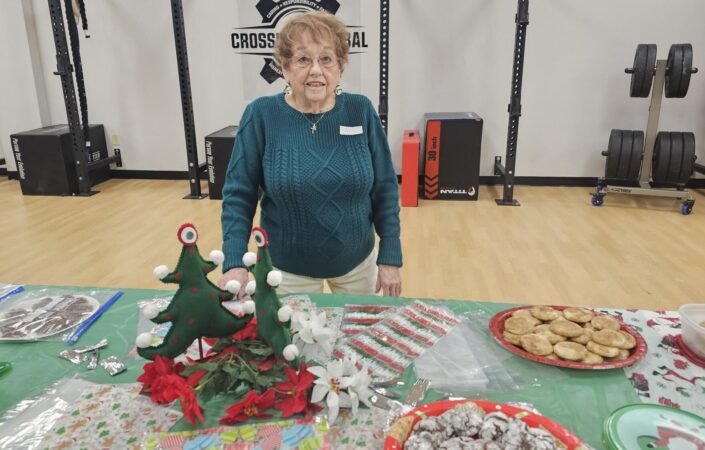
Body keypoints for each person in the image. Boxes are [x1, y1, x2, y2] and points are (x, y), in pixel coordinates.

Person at [219, 11, 402, 298]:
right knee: (291, 343)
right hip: (285, 270)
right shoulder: (261, 115)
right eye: (303, 59)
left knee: (360, 340)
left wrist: (390, 254)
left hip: (359, 266)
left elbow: (385, 188)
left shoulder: (360, 110)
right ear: (285, 66)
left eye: (326, 59)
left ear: (340, 66)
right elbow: (238, 194)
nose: (316, 70)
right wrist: (234, 262)